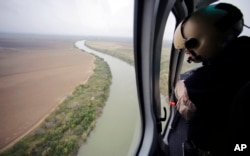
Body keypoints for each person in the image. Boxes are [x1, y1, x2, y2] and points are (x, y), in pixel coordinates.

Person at [172, 2, 250, 155]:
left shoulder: (209, 77)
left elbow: (185, 104)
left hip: (223, 146)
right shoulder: (244, 53)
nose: (187, 52)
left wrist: (181, 86)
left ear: (205, 39)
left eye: (190, 46)